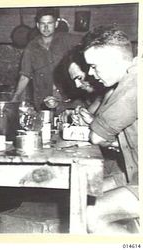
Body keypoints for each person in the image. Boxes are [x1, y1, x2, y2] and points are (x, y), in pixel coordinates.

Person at [79, 26, 138, 233]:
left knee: (88, 214)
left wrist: (96, 127)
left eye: (94, 66)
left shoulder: (135, 83)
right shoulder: (131, 77)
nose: (90, 73)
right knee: (82, 191)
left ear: (114, 60)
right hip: (135, 173)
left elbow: (96, 137)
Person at [11, 7, 81, 112]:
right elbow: (25, 75)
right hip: (43, 102)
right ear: (38, 25)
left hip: (69, 101)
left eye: (50, 23)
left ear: (56, 24)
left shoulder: (67, 39)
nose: (46, 27)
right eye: (43, 24)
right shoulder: (31, 47)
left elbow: (88, 42)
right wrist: (16, 97)